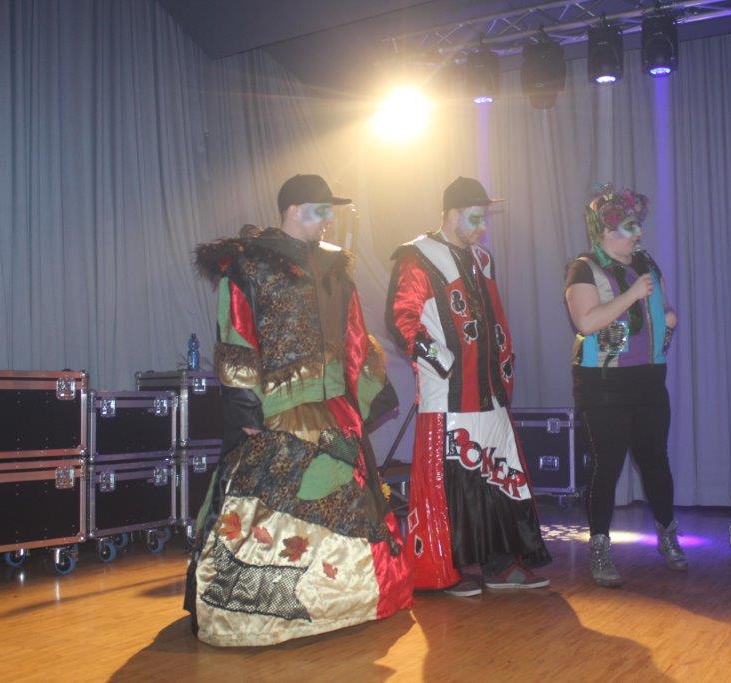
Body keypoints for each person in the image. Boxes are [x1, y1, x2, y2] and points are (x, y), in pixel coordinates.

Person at [185, 174, 411, 647]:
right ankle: (259, 611)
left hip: (334, 412)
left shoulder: (335, 267)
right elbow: (236, 335)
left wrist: (368, 390)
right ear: (292, 210)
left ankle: (343, 604)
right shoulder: (249, 264)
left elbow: (354, 334)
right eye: (321, 210)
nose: (329, 220)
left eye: (331, 211)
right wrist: (245, 406)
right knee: (266, 509)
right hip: (278, 411)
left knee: (346, 502)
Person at [385, 176, 551, 596]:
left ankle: (499, 563)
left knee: (499, 475)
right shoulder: (417, 257)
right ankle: (446, 569)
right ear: (451, 214)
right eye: (475, 219)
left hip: (489, 389)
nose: (482, 228)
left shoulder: (482, 259)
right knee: (453, 481)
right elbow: (401, 317)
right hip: (448, 395)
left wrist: (503, 364)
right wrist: (441, 361)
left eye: (484, 219)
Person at [563, 183, 687, 588]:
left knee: (656, 461)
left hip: (648, 378)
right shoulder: (583, 268)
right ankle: (600, 546)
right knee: (607, 464)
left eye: (638, 226)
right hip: (603, 383)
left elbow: (664, 308)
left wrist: (669, 318)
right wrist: (633, 294)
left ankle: (667, 535)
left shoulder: (646, 262)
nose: (639, 234)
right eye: (630, 226)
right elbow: (587, 322)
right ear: (606, 230)